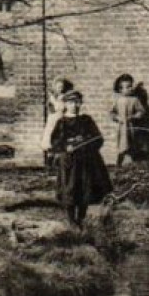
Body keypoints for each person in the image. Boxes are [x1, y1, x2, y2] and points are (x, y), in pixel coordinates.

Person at [48, 90, 113, 228]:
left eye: (77, 102)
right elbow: (55, 142)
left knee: (85, 189)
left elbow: (98, 139)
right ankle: (71, 220)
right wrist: (66, 146)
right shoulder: (61, 122)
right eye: (71, 102)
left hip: (86, 161)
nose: (74, 105)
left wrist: (84, 142)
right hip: (69, 163)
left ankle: (81, 218)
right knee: (70, 188)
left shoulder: (86, 120)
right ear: (65, 104)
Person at [108, 73, 149, 166]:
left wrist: (134, 116)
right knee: (121, 143)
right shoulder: (117, 100)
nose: (130, 89)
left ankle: (131, 160)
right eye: (127, 87)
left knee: (131, 142)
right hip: (121, 126)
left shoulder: (135, 100)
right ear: (120, 89)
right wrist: (117, 118)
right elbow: (111, 112)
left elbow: (141, 111)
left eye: (130, 86)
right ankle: (120, 160)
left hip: (131, 126)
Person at [40, 77, 74, 170]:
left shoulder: (64, 97)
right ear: (55, 88)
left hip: (61, 119)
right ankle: (49, 164)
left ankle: (58, 163)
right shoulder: (53, 98)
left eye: (62, 87)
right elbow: (52, 109)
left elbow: (62, 108)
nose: (60, 89)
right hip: (53, 120)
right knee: (50, 139)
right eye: (58, 87)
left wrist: (56, 101)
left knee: (60, 139)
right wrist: (52, 100)